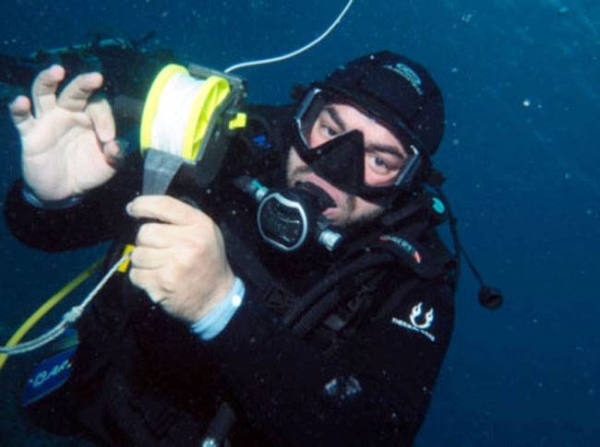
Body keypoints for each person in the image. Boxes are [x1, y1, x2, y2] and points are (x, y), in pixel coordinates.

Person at [4, 51, 457, 446]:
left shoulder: (407, 277)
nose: (334, 167)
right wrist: (52, 198)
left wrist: (222, 311)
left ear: (406, 184)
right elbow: (49, 233)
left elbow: (374, 434)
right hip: (95, 405)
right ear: (304, 115)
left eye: (380, 160)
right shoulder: (223, 151)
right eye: (330, 128)